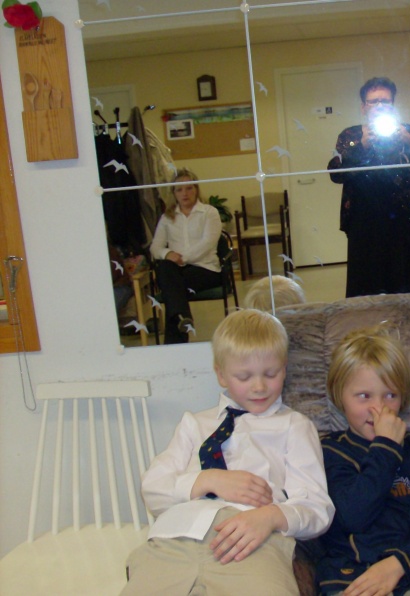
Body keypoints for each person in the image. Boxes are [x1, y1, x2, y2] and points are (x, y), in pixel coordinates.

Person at [122, 309, 334, 595]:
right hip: (175, 537)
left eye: (270, 374)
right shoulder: (194, 424)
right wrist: (208, 480)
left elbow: (317, 508)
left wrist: (271, 517)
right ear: (221, 374)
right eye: (244, 377)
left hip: (253, 541)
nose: (259, 386)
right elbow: (152, 489)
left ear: (284, 369)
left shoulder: (294, 426)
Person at [318, 325, 410, 595]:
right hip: (351, 575)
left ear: (403, 398)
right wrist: (386, 448)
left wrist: (399, 564)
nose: (378, 408)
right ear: (339, 397)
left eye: (390, 395)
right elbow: (353, 516)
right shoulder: (329, 452)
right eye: (364, 396)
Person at [328, 77, 410, 298]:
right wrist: (362, 145)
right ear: (363, 107)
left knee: (407, 286)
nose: (379, 106)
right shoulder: (350, 136)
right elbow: (336, 174)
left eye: (385, 101)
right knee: (366, 286)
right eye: (373, 101)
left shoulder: (408, 132)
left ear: (393, 105)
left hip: (404, 220)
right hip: (363, 221)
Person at [150, 168, 222, 343]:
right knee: (166, 267)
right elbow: (155, 248)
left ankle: (175, 340)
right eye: (179, 189)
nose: (185, 193)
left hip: (206, 269)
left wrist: (182, 258)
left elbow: (208, 243)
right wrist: (168, 253)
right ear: (174, 193)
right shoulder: (167, 217)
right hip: (176, 271)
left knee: (171, 287)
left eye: (189, 188)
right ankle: (183, 318)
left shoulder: (209, 212)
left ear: (196, 189)